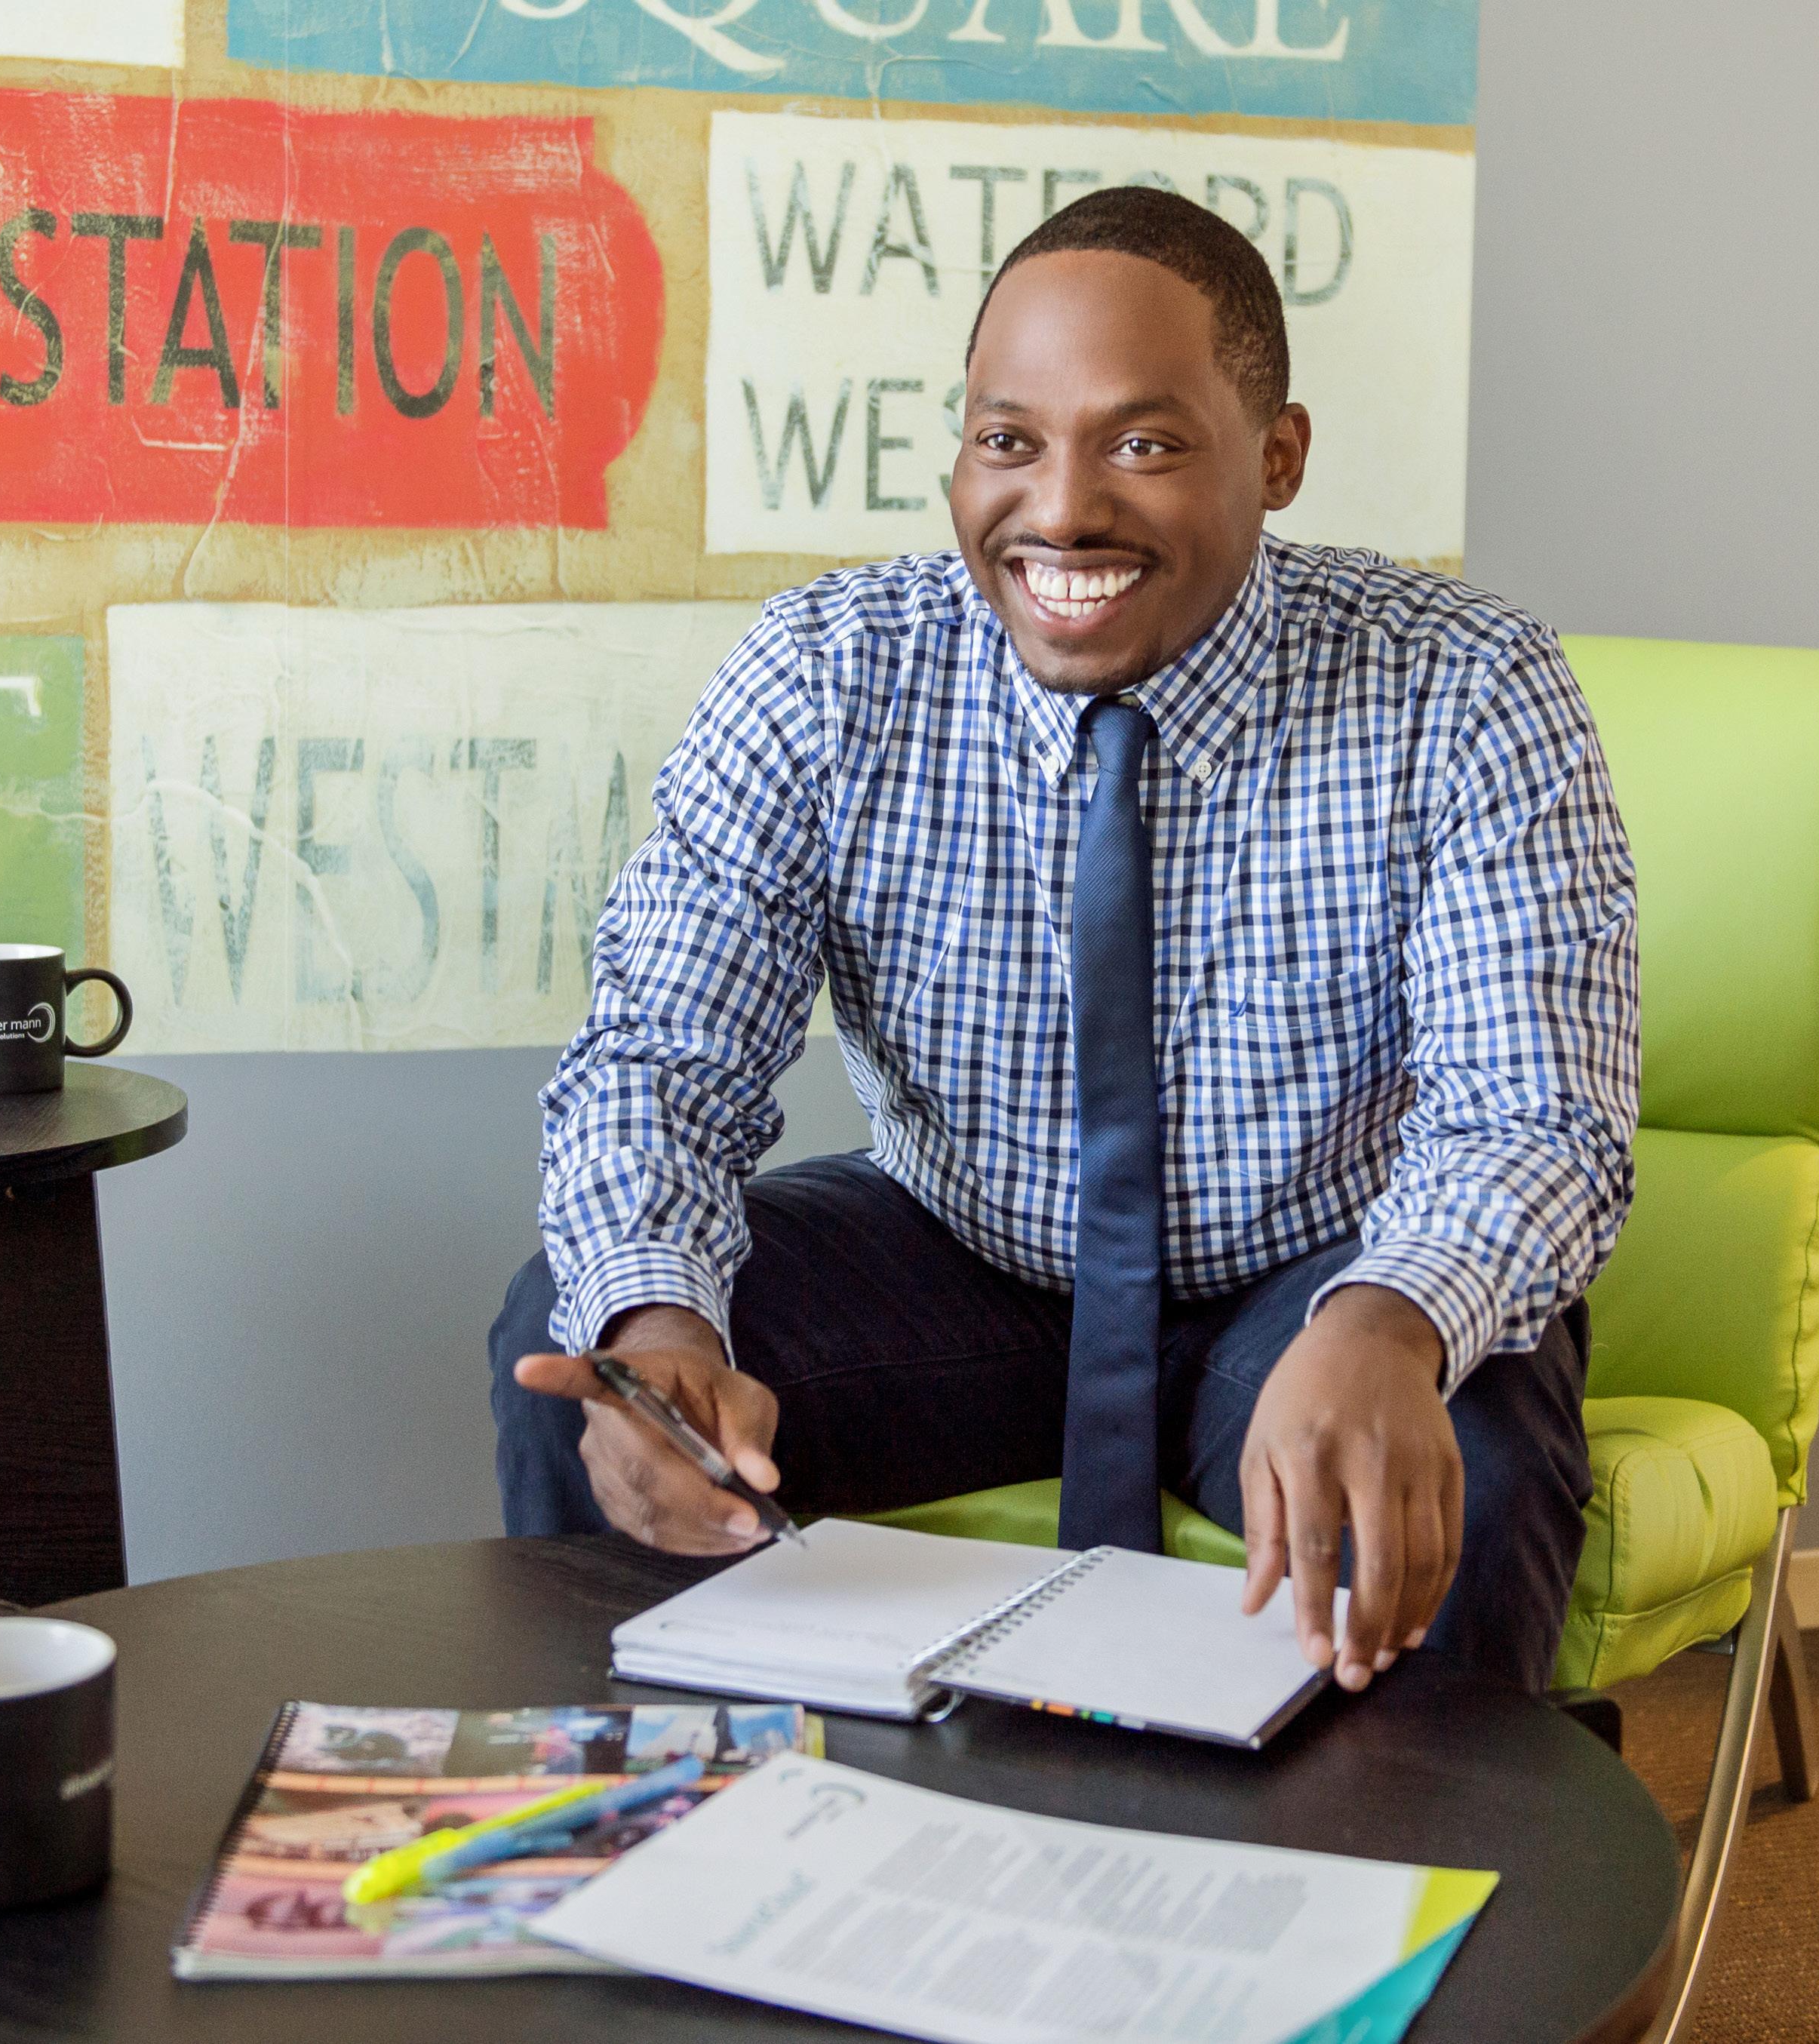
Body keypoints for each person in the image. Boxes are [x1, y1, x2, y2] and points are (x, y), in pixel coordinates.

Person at [490, 186, 1638, 1698]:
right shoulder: (826, 674)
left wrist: (1391, 1317)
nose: (1061, 509)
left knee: (1451, 1465)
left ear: (1277, 456)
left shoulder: (1464, 685)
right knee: (589, 1351)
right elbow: (659, 1058)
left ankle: (1401, 1854)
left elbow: (1532, 1114)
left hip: (1310, 1276)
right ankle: (670, 1810)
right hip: (968, 1266)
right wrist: (659, 1326)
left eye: (1142, 444)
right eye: (1008, 440)